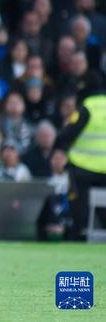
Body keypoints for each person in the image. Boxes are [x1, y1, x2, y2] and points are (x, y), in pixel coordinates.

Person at [54, 84, 106, 240]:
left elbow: (68, 133)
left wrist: (59, 147)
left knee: (80, 209)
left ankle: (80, 237)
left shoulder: (87, 107)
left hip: (83, 167)